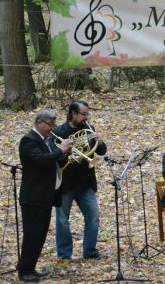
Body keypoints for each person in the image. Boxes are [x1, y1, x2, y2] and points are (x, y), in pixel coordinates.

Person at [18, 110, 72, 282]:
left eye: (53, 125)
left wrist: (64, 154)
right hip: (33, 198)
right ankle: (24, 270)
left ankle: (31, 268)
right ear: (39, 122)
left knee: (40, 235)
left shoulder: (46, 140)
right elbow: (40, 161)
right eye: (50, 124)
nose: (52, 128)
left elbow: (53, 163)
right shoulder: (28, 141)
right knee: (32, 235)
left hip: (45, 197)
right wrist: (60, 150)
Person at [53, 100, 107, 260]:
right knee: (62, 220)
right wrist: (64, 151)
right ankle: (64, 254)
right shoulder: (59, 131)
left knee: (94, 215)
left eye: (87, 113)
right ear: (73, 114)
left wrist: (101, 141)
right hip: (65, 183)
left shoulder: (89, 129)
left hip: (85, 182)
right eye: (83, 114)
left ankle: (89, 251)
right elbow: (53, 159)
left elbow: (102, 151)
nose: (86, 117)